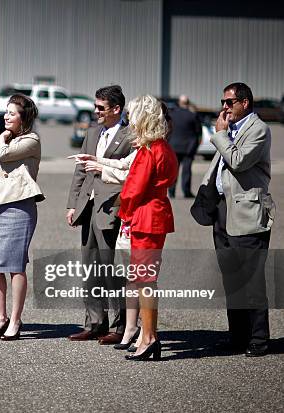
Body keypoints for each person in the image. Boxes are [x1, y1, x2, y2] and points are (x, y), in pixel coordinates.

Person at [192, 82, 274, 357]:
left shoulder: (258, 129)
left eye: (229, 102)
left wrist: (220, 135)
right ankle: (237, 336)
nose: (224, 107)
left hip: (247, 213)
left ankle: (259, 339)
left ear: (245, 103)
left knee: (251, 280)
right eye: (223, 102)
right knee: (231, 279)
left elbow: (237, 161)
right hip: (223, 211)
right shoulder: (231, 130)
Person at [65, 85, 135, 344]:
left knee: (111, 269)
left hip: (112, 209)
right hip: (88, 207)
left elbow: (130, 175)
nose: (95, 112)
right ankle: (94, 322)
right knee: (90, 267)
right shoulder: (93, 132)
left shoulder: (130, 135)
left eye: (101, 108)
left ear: (117, 109)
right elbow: (80, 171)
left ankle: (119, 326)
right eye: (95, 106)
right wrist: (72, 204)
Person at [115, 95, 178, 361]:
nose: (129, 120)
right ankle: (147, 336)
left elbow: (133, 189)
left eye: (132, 115)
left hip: (145, 218)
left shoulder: (149, 150)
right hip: (156, 215)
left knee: (144, 281)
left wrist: (124, 212)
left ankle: (149, 337)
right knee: (145, 280)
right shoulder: (163, 148)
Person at [0, 94, 44, 341]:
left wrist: (4, 139)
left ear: (24, 117)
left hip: (19, 207)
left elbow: (5, 155)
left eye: (12, 113)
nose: (6, 116)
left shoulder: (31, 140)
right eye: (5, 112)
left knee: (15, 266)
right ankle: (0, 317)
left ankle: (15, 320)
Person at [167, 95, 201, 198]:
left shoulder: (172, 115)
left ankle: (171, 192)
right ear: (188, 103)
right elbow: (198, 132)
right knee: (186, 171)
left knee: (173, 171)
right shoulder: (192, 115)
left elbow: (167, 130)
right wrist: (196, 144)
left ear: (179, 103)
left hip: (174, 146)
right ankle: (186, 191)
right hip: (188, 147)